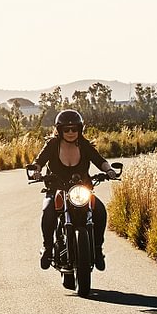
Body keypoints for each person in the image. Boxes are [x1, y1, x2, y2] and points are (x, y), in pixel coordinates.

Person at [30, 108, 116, 272]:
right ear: (59, 130)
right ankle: (47, 248)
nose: (70, 132)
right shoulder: (53, 145)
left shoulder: (84, 145)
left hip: (81, 190)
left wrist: (109, 170)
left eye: (74, 129)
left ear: (80, 129)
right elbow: (39, 161)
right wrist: (36, 171)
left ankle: (97, 249)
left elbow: (100, 160)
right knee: (48, 211)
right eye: (66, 129)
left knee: (99, 211)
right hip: (57, 190)